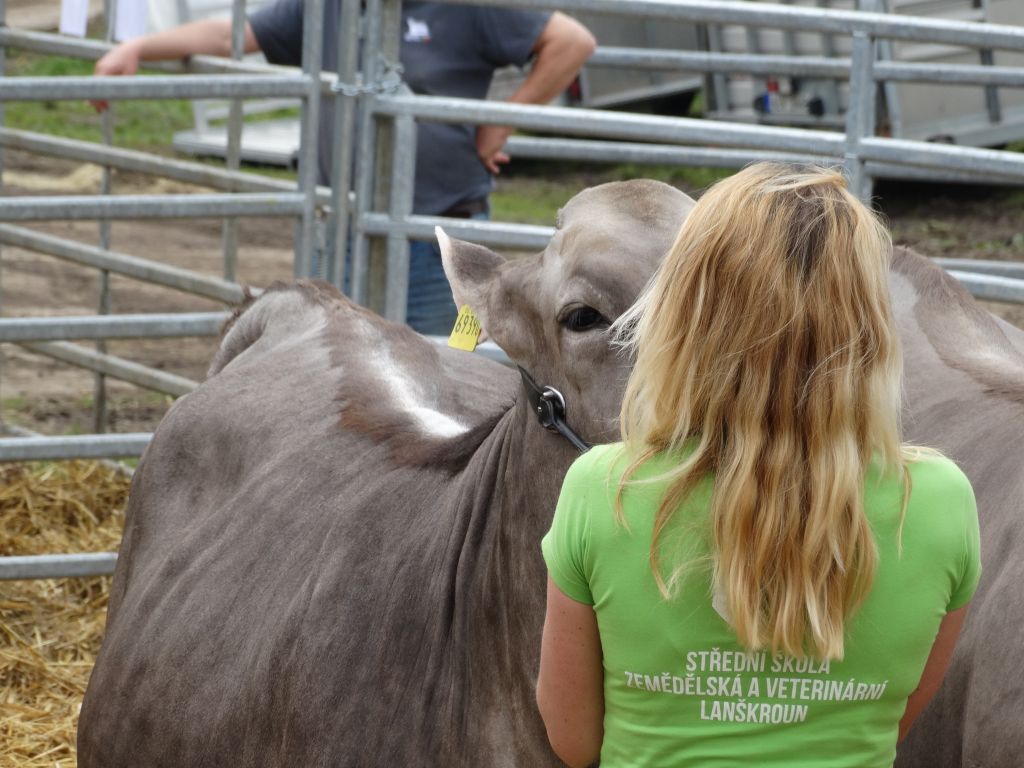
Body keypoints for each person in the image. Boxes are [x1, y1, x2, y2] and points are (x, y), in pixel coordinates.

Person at [536, 163, 981, 767]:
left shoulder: (602, 489)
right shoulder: (937, 503)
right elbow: (890, 720)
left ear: (684, 314)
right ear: (869, 326)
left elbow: (573, 739)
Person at [92, 0, 595, 334]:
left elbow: (571, 41)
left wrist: (500, 122)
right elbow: (230, 35)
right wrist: (137, 47)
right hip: (341, 232)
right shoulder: (329, 6)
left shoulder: (467, 6)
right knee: (339, 369)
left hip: (436, 239)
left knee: (441, 366)